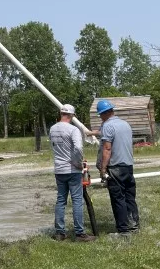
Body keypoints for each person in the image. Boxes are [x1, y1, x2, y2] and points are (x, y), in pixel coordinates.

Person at [49, 104, 95, 242]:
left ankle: (59, 232)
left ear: (61, 113)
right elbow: (78, 148)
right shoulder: (73, 129)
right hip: (72, 170)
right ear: (72, 116)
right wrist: (78, 163)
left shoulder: (52, 128)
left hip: (59, 169)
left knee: (61, 200)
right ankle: (80, 233)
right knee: (77, 201)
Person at [96, 99, 140, 236]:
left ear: (103, 114)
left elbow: (107, 149)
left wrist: (103, 169)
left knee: (118, 198)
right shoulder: (125, 124)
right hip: (128, 166)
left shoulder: (108, 126)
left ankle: (123, 229)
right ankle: (134, 225)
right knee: (129, 197)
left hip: (115, 167)